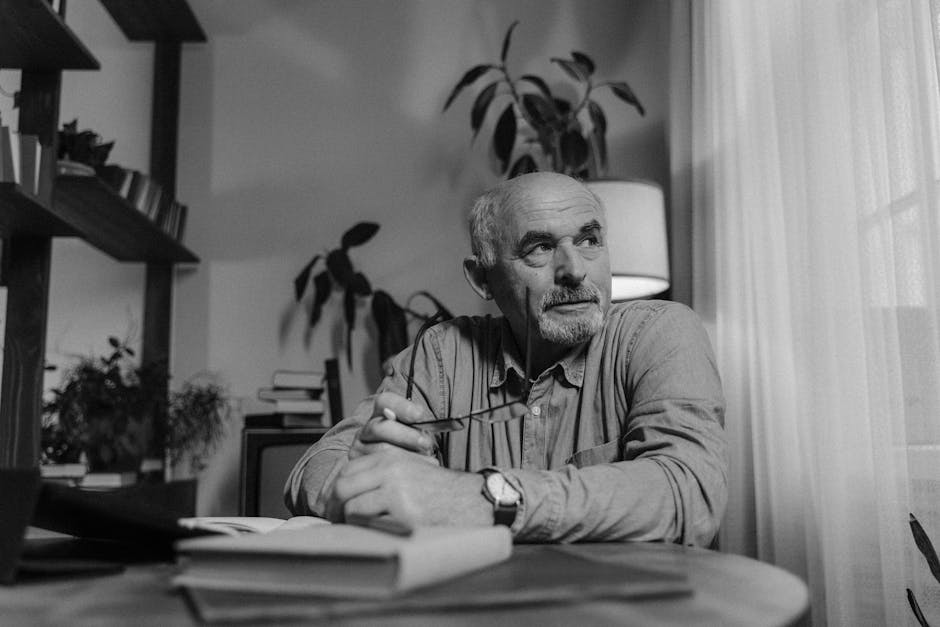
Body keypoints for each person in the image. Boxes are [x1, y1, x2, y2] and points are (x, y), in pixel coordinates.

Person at [284, 172, 727, 545]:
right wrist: (359, 478)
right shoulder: (440, 356)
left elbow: (689, 492)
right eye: (539, 247)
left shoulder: (658, 333)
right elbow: (311, 470)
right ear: (483, 280)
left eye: (589, 240)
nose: (574, 268)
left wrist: (486, 498)